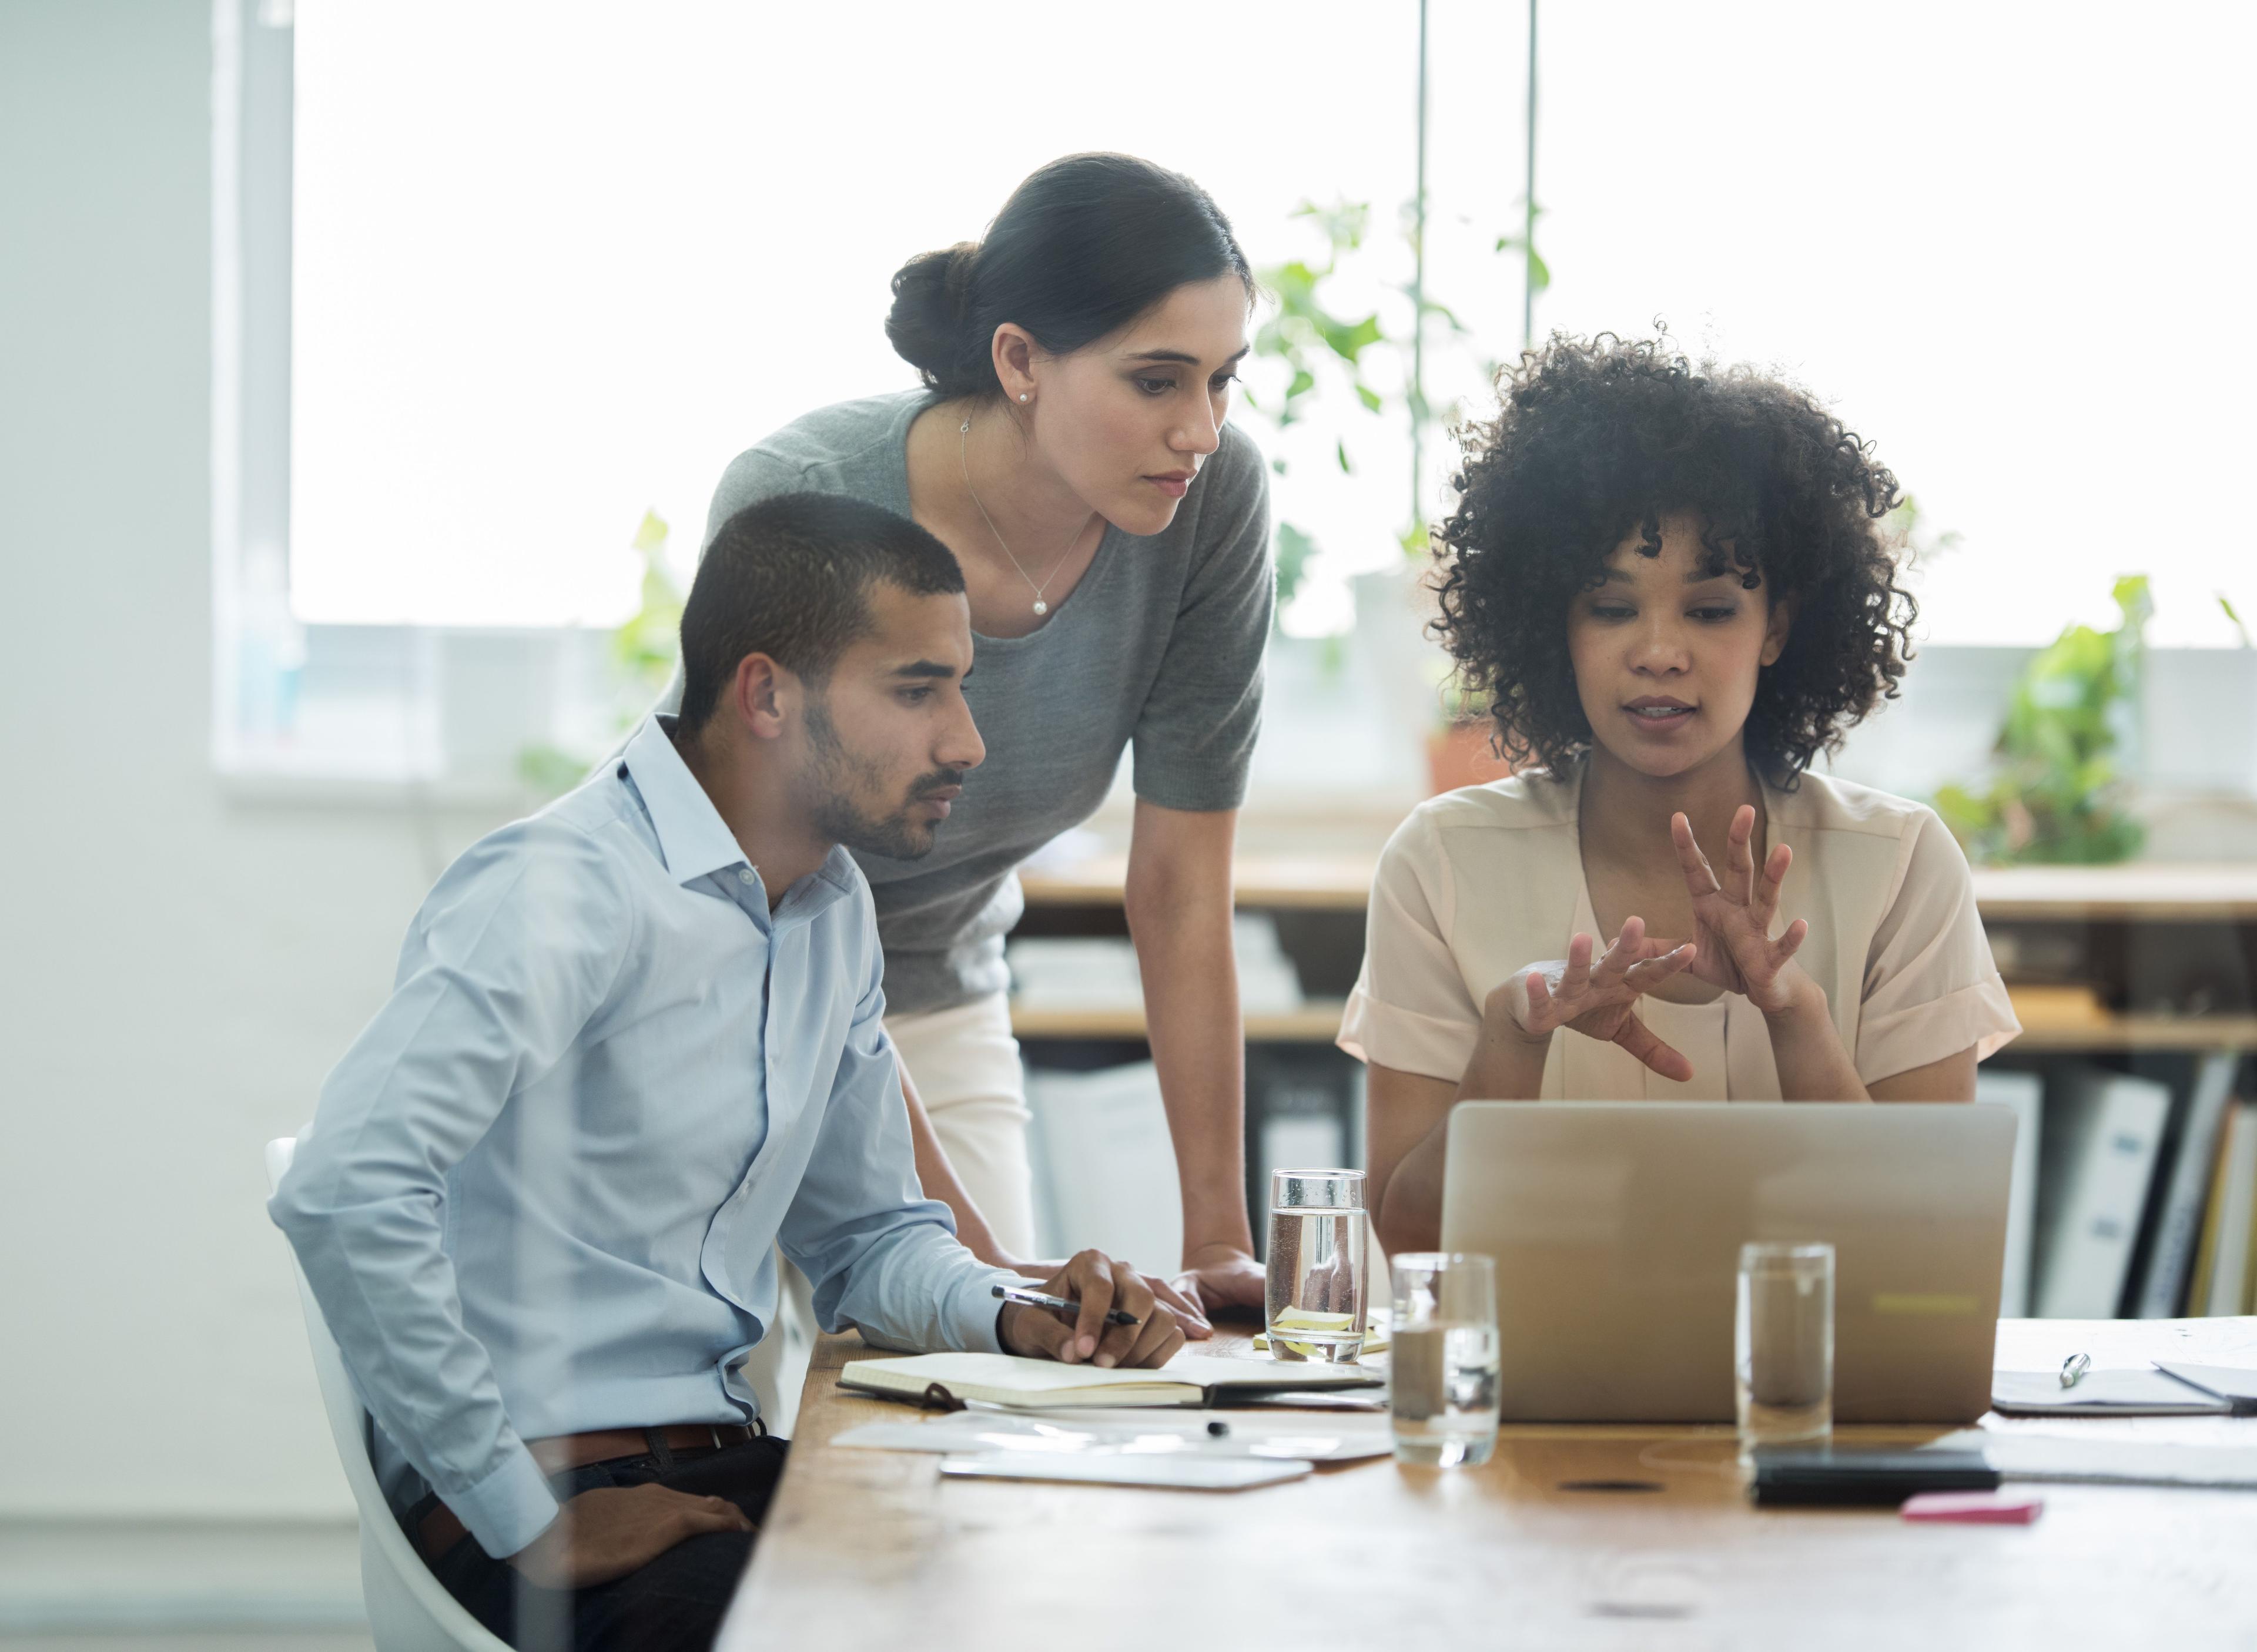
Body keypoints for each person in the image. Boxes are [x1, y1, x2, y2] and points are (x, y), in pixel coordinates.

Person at [272, 492, 1183, 1652]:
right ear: (766, 694)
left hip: (726, 1467)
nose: (966, 741)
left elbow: (867, 1241)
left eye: (961, 686)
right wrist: (518, 1515)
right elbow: (346, 1186)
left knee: (1078, 1578)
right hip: (550, 1496)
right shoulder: (558, 889)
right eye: (917, 689)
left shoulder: (829, 904)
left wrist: (1022, 1314)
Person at [667, 152, 1275, 1325]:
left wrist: (1220, 1242)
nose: (1198, 429)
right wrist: (981, 1273)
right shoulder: (804, 499)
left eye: (1222, 380)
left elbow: (1183, 887)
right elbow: (778, 907)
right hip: (731, 990)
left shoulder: (1211, 506)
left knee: (973, 1427)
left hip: (938, 991)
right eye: (1157, 381)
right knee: (772, 1431)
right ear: (1019, 361)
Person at [1342, 334, 2021, 1254]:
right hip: (1534, 1391)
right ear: (1558, 625)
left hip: (1811, 1394)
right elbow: (1409, 1248)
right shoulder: (1442, 863)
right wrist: (1511, 1038)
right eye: (1612, 607)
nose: (1659, 650)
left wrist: (1797, 1015)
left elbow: (1928, 1251)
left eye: (1709, 610)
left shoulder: (1901, 866)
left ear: (1777, 626)